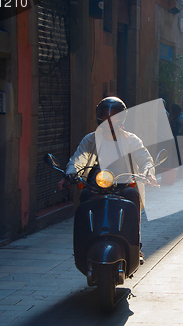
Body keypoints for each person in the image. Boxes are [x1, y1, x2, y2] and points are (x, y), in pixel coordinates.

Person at [57, 96, 157, 263]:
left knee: (133, 196)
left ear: (121, 118)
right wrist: (70, 174)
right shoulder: (90, 139)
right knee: (84, 197)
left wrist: (149, 172)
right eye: (105, 115)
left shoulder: (131, 139)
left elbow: (144, 157)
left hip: (124, 184)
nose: (109, 119)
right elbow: (78, 158)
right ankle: (84, 242)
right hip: (96, 185)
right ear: (99, 116)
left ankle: (136, 244)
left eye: (114, 115)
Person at [170, 103, 183, 179]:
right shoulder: (178, 117)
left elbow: (178, 131)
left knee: (179, 158)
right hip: (177, 140)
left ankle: (180, 174)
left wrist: (169, 129)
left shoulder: (180, 119)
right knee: (177, 157)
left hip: (179, 140)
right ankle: (179, 173)